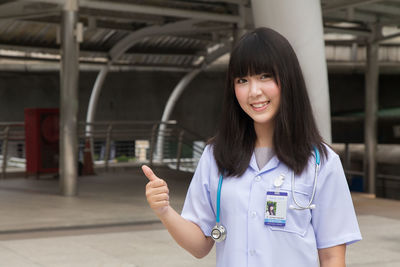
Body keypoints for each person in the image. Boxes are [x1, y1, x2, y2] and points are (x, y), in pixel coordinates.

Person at [142, 27, 362, 267]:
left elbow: (331, 257)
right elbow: (200, 245)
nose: (254, 91)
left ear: (288, 79)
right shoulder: (215, 156)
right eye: (242, 80)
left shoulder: (322, 163)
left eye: (265, 76)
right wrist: (164, 211)